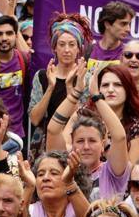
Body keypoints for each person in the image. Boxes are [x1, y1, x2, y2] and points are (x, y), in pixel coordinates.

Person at [45, 67, 132, 200]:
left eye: (92, 141)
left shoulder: (112, 172)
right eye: (80, 141)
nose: (86, 147)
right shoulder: (64, 168)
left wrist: (97, 97)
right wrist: (76, 92)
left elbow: (119, 137)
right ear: (71, 144)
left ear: (103, 144)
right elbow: (53, 130)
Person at [29, 15, 93, 157]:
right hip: (44, 145)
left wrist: (71, 88)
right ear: (54, 48)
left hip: (76, 143)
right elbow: (34, 119)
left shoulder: (86, 78)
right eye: (62, 44)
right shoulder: (42, 76)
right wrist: (50, 87)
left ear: (79, 49)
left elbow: (83, 118)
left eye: (72, 44)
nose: (67, 50)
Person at [29, 150, 93, 217]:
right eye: (40, 174)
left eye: (54, 173)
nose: (45, 178)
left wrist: (70, 183)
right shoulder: (29, 212)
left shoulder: (80, 214)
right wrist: (28, 188)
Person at [0, 15, 29, 139]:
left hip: (17, 134)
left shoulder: (24, 59)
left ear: (16, 36)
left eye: (9, 33)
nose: (4, 38)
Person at [89, 1, 134, 74]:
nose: (128, 29)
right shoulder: (89, 51)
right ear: (107, 24)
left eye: (129, 24)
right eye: (123, 24)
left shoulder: (128, 55)